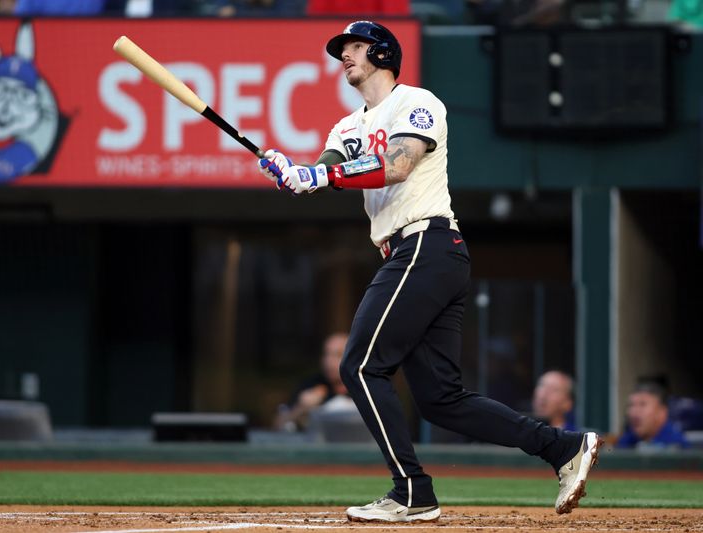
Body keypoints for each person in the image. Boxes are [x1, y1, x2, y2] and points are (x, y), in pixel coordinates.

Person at [257, 21, 601, 523]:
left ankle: (411, 490)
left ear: (380, 52)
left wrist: (317, 174)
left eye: (353, 47)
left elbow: (396, 164)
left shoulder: (419, 102)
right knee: (440, 399)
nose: (344, 57)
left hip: (426, 245)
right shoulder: (345, 128)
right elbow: (325, 170)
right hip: (414, 255)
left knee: (358, 365)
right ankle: (562, 447)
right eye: (342, 51)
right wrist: (290, 171)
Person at [274, 332, 350, 432]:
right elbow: (277, 425)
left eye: (338, 354)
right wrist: (301, 408)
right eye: (326, 354)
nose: (328, 361)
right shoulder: (312, 385)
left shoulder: (365, 387)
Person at [616, 380, 689, 449]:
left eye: (642, 404)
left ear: (662, 412)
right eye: (631, 405)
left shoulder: (677, 446)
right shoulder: (627, 440)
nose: (634, 411)